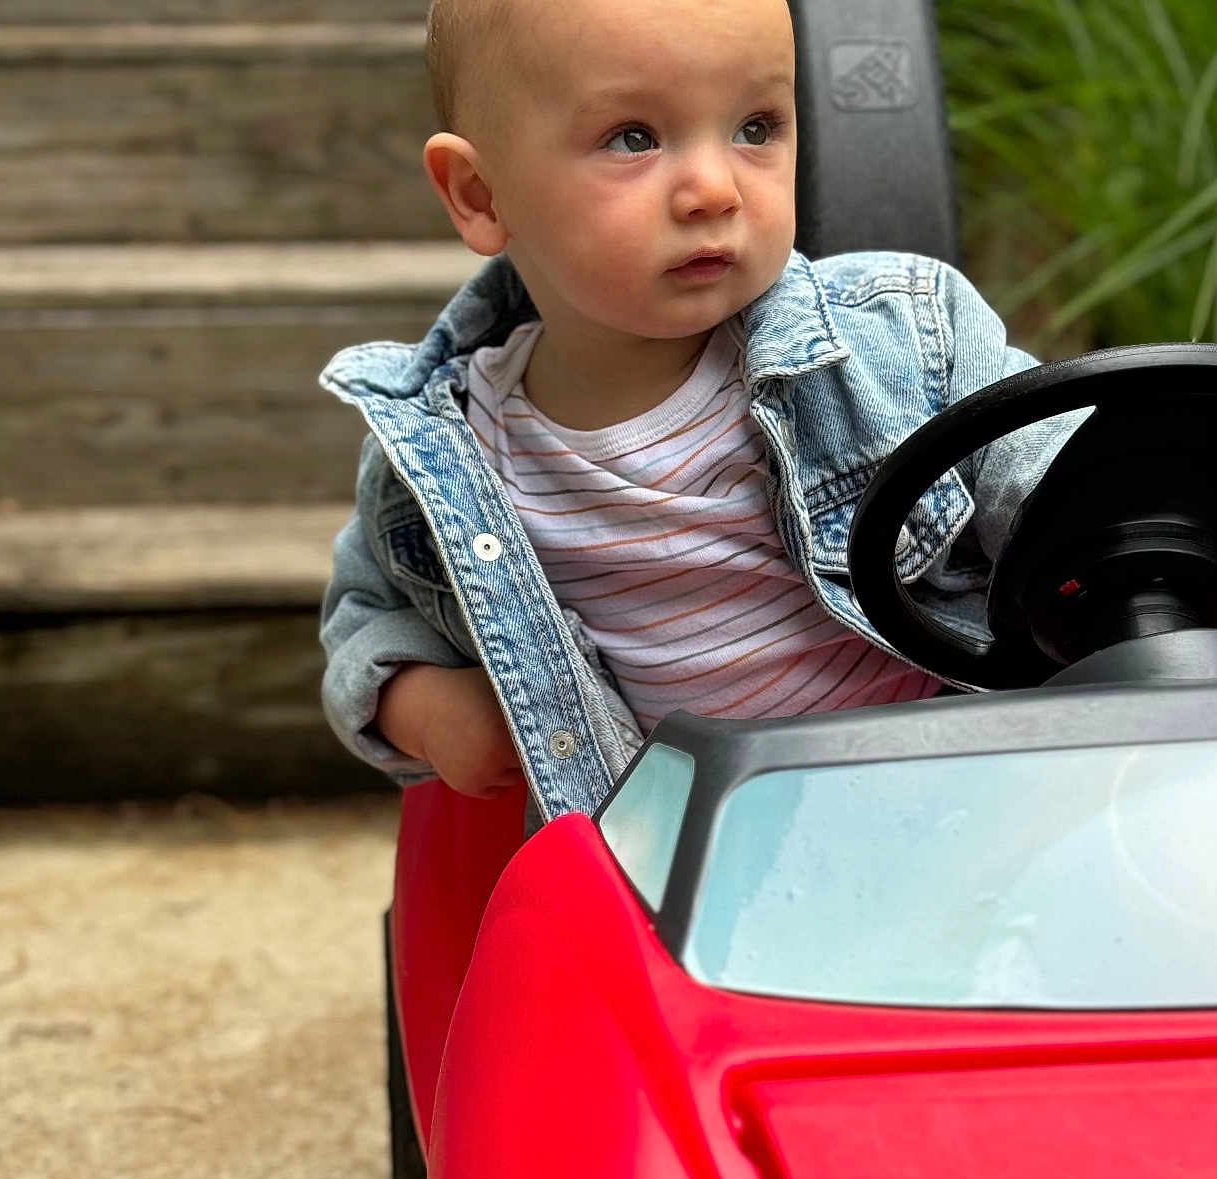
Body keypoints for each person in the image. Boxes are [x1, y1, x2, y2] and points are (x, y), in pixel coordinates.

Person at [319, 0, 1078, 826]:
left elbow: (1066, 479)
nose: (714, 190)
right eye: (633, 138)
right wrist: (425, 703)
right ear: (480, 194)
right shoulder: (450, 454)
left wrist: (1122, 560)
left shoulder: (899, 339)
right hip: (675, 877)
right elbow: (366, 619)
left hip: (953, 808)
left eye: (756, 127)